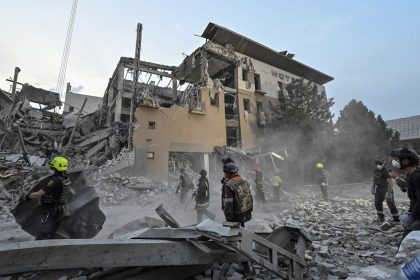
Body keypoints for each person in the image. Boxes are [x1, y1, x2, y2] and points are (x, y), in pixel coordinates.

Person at [20, 156, 70, 240]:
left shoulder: (54, 181)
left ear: (57, 166)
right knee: (50, 234)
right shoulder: (65, 179)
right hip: (59, 210)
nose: (51, 167)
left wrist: (27, 196)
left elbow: (39, 194)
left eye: (53, 166)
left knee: (43, 236)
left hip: (51, 210)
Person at [391, 148, 420, 235]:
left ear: (406, 161)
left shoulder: (417, 176)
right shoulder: (411, 175)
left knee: (408, 237)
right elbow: (413, 199)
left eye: (396, 159)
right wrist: (409, 212)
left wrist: (412, 217)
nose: (394, 162)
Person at [221, 163, 253, 227]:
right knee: (242, 229)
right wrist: (250, 209)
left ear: (229, 173)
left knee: (234, 233)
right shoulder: (244, 181)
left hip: (235, 214)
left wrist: (228, 218)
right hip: (245, 211)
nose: (225, 175)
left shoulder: (229, 185)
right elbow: (250, 196)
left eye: (226, 173)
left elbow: (228, 203)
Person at [371, 159, 400, 223]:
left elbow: (390, 182)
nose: (379, 166)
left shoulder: (386, 172)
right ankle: (381, 218)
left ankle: (396, 219)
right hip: (379, 189)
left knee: (391, 204)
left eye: (380, 164)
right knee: (377, 203)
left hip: (387, 189)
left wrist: (389, 193)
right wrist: (373, 187)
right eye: (378, 164)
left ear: (383, 165)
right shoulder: (376, 170)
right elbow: (375, 178)